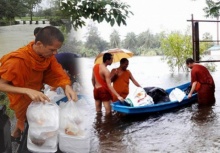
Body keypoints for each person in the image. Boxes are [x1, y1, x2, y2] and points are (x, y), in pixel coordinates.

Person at [0, 26, 78, 140]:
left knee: (35, 119)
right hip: (21, 95)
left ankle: (22, 134)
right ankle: (19, 134)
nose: (55, 53)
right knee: (23, 117)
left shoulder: (46, 56)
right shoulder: (16, 61)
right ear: (39, 44)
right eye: (52, 49)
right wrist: (26, 90)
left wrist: (67, 86)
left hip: (36, 92)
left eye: (57, 50)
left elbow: (57, 72)